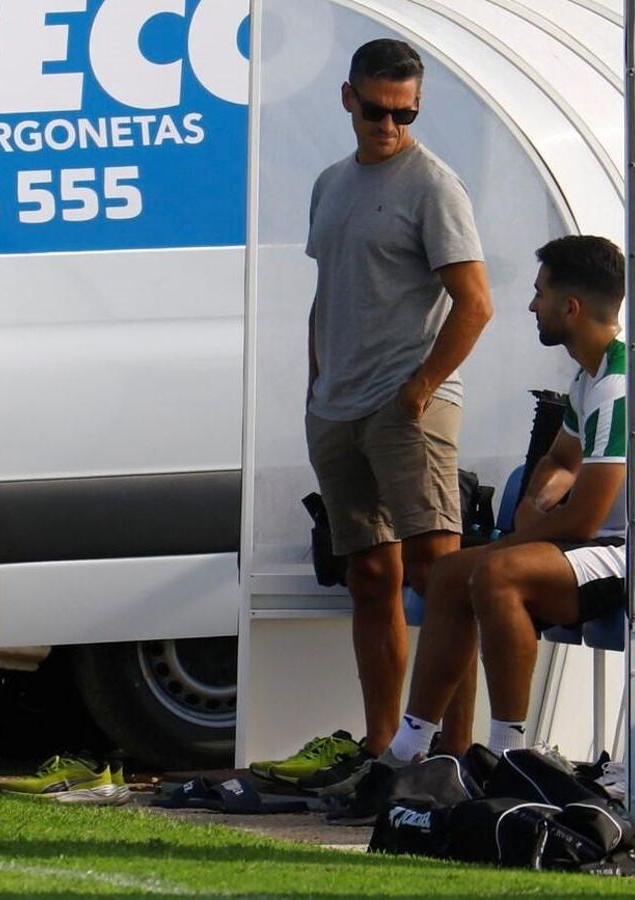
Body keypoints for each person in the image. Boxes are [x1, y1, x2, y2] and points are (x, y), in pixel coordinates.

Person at [249, 38, 492, 796]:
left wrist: (420, 387)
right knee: (368, 577)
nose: (389, 124)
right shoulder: (330, 184)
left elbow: (475, 303)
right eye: (377, 109)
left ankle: (454, 755)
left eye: (404, 112)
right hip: (338, 407)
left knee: (440, 579)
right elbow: (331, 290)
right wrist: (317, 378)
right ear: (348, 98)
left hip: (407, 406)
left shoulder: (433, 185)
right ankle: (386, 750)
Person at [383, 234, 628, 767]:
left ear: (572, 307)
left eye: (540, 293)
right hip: (591, 546)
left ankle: (511, 756)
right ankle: (406, 754)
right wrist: (536, 502)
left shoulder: (618, 385)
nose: (531, 305)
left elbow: (586, 520)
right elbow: (561, 463)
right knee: (449, 575)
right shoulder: (589, 375)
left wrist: (525, 530)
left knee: (499, 574)